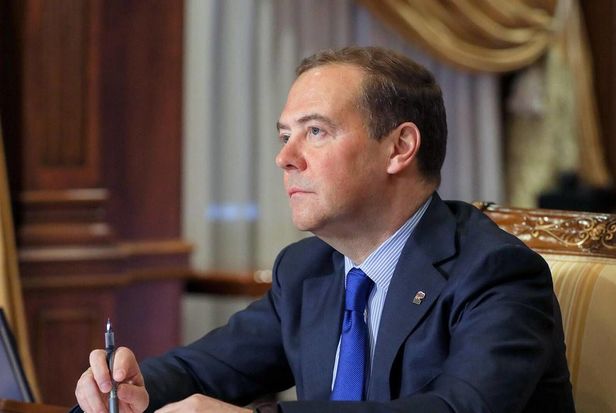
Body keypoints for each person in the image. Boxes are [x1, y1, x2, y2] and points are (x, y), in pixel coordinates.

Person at [74, 46, 575, 413]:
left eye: (315, 131)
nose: (285, 158)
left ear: (399, 148)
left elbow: (458, 409)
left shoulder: (496, 271)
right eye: (284, 136)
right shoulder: (306, 269)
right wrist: (130, 389)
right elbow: (203, 369)